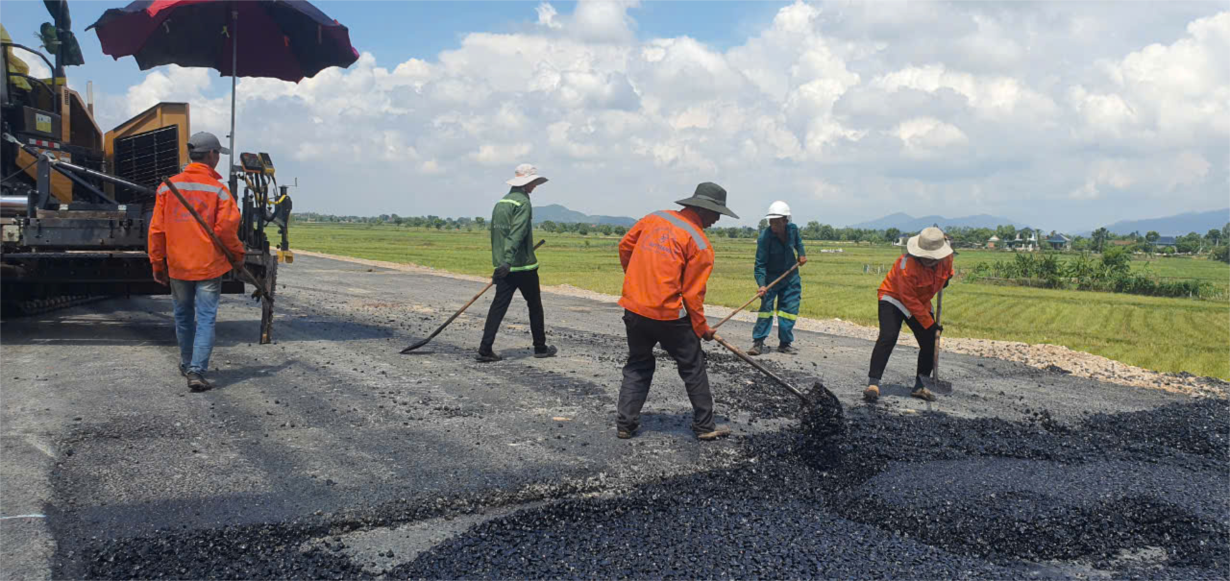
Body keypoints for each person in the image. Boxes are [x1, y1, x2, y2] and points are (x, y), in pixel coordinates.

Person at [616, 182, 737, 441]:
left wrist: (638, 281)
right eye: (716, 213)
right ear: (703, 210)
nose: (717, 220)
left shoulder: (653, 218)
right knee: (693, 365)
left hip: (634, 308)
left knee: (638, 363)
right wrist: (702, 328)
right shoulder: (700, 245)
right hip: (668, 316)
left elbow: (625, 247)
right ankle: (705, 426)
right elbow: (693, 295)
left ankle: (625, 424)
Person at [148, 132, 244, 392]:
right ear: (211, 155)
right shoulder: (219, 190)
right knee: (206, 318)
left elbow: (157, 230)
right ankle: (197, 371)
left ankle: (186, 362)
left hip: (178, 265)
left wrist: (158, 263)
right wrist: (238, 255)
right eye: (217, 155)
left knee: (182, 316)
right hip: (209, 265)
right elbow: (226, 230)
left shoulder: (168, 187)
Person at [477, 164, 558, 362]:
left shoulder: (501, 202)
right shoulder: (523, 203)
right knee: (535, 306)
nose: (534, 187)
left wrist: (500, 263)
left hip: (503, 268)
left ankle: (485, 348)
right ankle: (540, 347)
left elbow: (498, 236)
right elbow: (518, 233)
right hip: (522, 266)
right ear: (528, 183)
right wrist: (508, 260)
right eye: (534, 183)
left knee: (498, 306)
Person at [864, 226, 954, 403]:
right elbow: (908, 298)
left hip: (921, 300)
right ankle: (873, 383)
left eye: (931, 258)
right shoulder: (906, 265)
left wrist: (946, 280)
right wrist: (930, 323)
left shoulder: (947, 258)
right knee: (888, 336)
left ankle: (920, 385)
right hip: (893, 298)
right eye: (924, 257)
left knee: (930, 340)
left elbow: (948, 273)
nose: (927, 260)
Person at [749, 201, 807, 356]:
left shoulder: (793, 230)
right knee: (766, 310)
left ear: (785, 221)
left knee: (788, 310)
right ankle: (758, 342)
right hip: (771, 278)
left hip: (791, 276)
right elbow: (759, 265)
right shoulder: (765, 238)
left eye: (776, 222)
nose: (773, 225)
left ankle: (785, 343)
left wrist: (801, 254)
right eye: (771, 222)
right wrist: (762, 285)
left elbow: (798, 243)